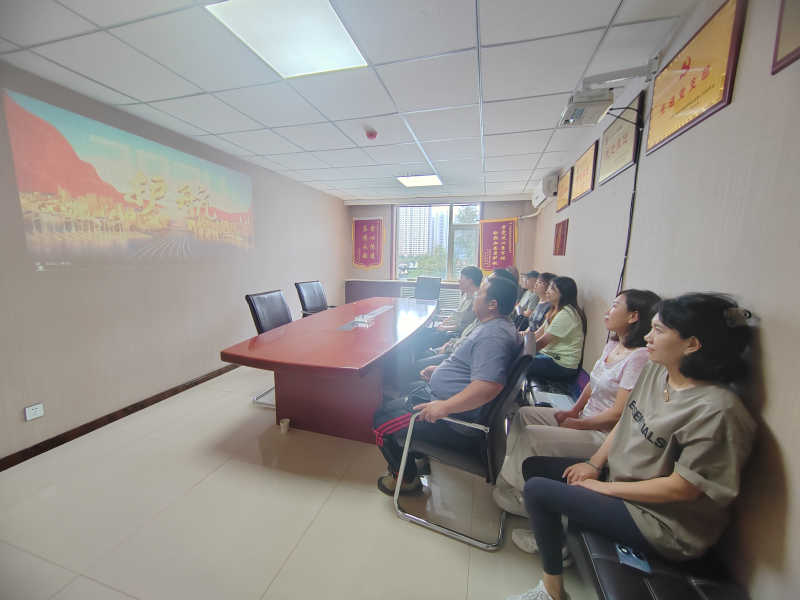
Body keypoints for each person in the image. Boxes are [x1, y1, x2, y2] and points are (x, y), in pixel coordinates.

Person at [506, 294, 756, 600]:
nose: (648, 337)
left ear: (692, 344)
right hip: (622, 480)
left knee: (538, 490)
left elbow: (684, 489)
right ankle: (558, 545)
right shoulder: (658, 371)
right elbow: (626, 420)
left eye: (659, 330)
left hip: (660, 520)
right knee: (534, 467)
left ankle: (552, 591)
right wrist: (594, 464)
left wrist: (604, 489)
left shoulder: (718, 410)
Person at [493, 290, 661, 547]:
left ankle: (522, 495)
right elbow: (592, 384)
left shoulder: (639, 358)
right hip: (585, 417)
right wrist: (574, 412)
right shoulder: (613, 345)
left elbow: (619, 413)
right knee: (525, 415)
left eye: (615, 306)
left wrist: (580, 423)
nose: (607, 311)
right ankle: (511, 474)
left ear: (633, 316)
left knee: (533, 435)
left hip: (602, 435)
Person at [372, 276, 521, 495]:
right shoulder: (496, 326)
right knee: (398, 398)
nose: (475, 297)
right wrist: (440, 370)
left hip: (453, 418)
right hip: (444, 401)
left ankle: (405, 480)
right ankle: (416, 458)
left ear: (492, 304)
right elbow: (473, 365)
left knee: (380, 423)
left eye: (480, 294)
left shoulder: (493, 336)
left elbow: (489, 385)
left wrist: (445, 406)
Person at [528, 277, 586, 383]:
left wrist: (519, 351)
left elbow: (542, 343)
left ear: (563, 293)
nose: (547, 291)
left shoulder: (566, 314)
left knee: (519, 362)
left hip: (561, 365)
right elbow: (537, 334)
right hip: (548, 356)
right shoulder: (556, 310)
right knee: (515, 358)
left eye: (552, 288)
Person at [414, 266, 482, 357]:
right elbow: (457, 313)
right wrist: (443, 322)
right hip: (449, 326)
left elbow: (464, 326)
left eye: (461, 277)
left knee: (422, 338)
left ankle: (419, 361)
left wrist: (445, 328)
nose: (459, 280)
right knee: (421, 333)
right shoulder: (466, 294)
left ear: (470, 281)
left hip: (452, 332)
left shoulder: (475, 301)